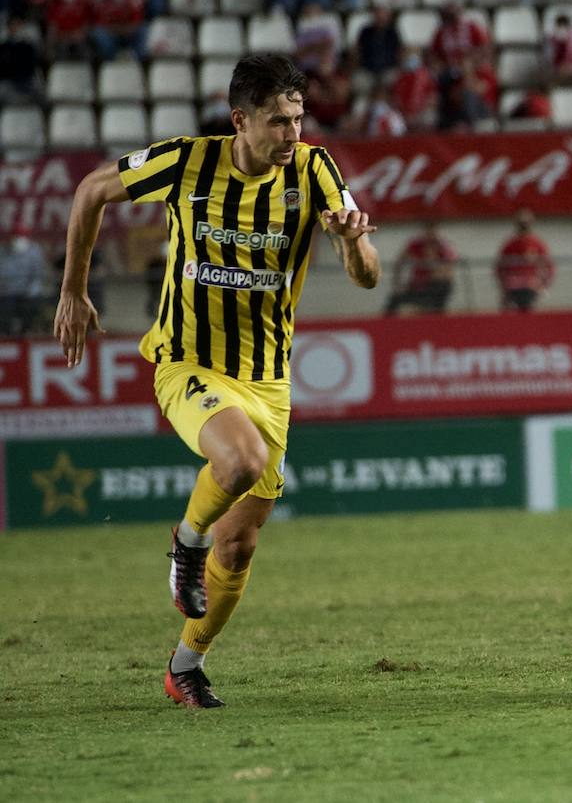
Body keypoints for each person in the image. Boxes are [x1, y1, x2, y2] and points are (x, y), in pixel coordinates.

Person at [53, 53, 381, 709]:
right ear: (242, 121)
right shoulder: (188, 161)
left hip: (269, 381)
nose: (292, 134)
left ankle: (185, 666)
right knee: (239, 462)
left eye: (298, 119)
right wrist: (74, 290)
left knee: (243, 542)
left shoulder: (316, 172)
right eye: (278, 122)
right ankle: (185, 542)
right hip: (189, 362)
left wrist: (350, 245)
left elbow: (369, 275)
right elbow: (91, 191)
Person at [386, 225, 460, 315]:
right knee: (395, 300)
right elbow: (399, 262)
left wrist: (432, 268)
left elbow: (449, 267)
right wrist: (397, 283)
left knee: (433, 304)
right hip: (417, 286)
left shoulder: (444, 247)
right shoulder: (416, 245)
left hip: (434, 288)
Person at [496, 209, 554, 311]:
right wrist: (503, 287)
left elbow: (548, 265)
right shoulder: (510, 245)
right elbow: (500, 267)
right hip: (513, 285)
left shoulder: (537, 244)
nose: (523, 226)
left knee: (528, 311)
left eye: (526, 223)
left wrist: (544, 285)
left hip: (531, 285)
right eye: (521, 223)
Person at [0, 228, 47, 335]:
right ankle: (7, 333)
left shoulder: (34, 251)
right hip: (8, 293)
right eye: (15, 237)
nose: (17, 240)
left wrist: (30, 291)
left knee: (32, 305)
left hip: (28, 293)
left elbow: (38, 275)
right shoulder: (3, 252)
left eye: (20, 237)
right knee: (5, 307)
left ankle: (26, 331)